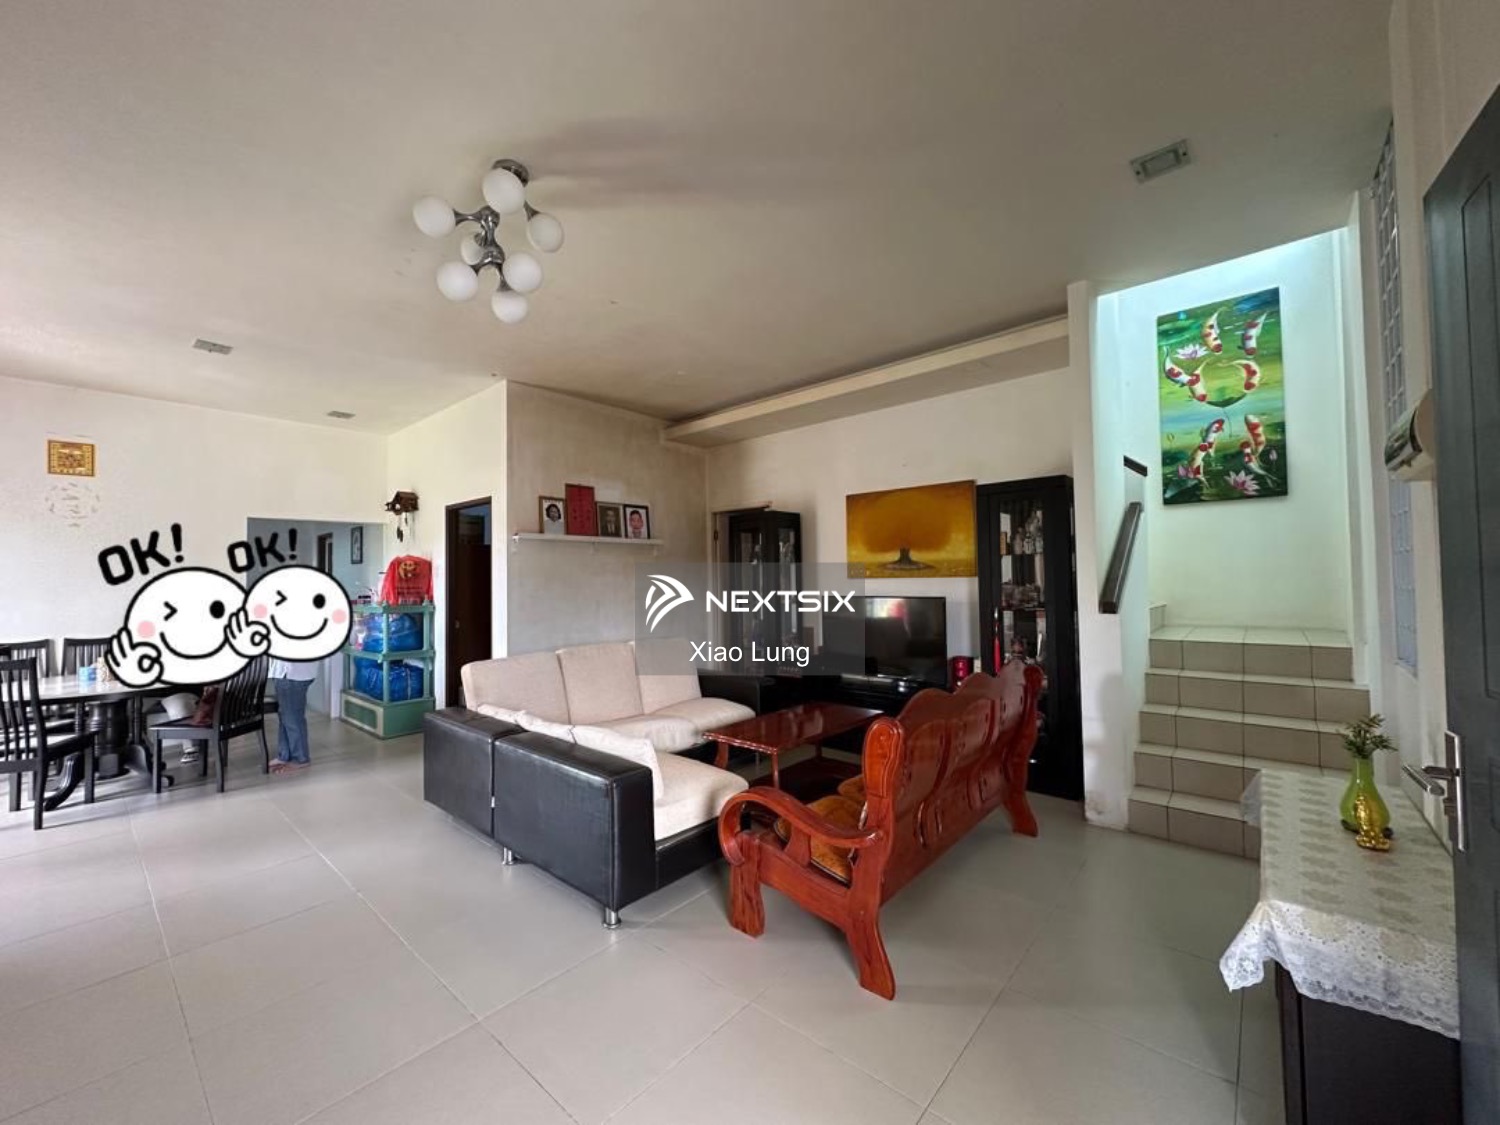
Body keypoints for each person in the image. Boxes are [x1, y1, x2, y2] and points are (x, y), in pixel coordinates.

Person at [268, 656, 320, 772]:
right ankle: (284, 755)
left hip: (293, 674)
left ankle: (300, 758)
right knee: (285, 716)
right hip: (286, 672)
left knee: (292, 718)